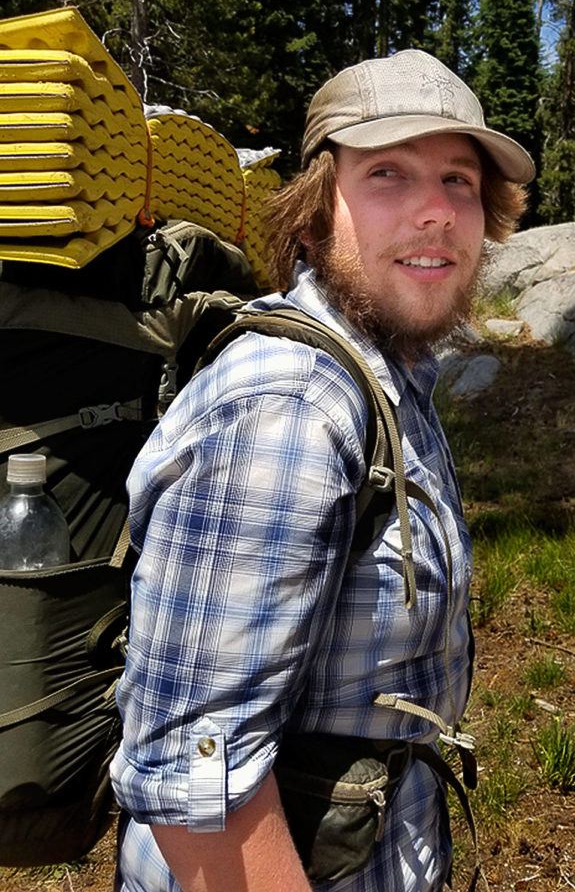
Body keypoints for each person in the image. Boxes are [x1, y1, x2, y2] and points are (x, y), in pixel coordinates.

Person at [110, 48, 535, 892]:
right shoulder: (290, 404)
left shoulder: (387, 371)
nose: (436, 212)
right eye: (387, 174)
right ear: (310, 216)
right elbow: (194, 780)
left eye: (458, 180)